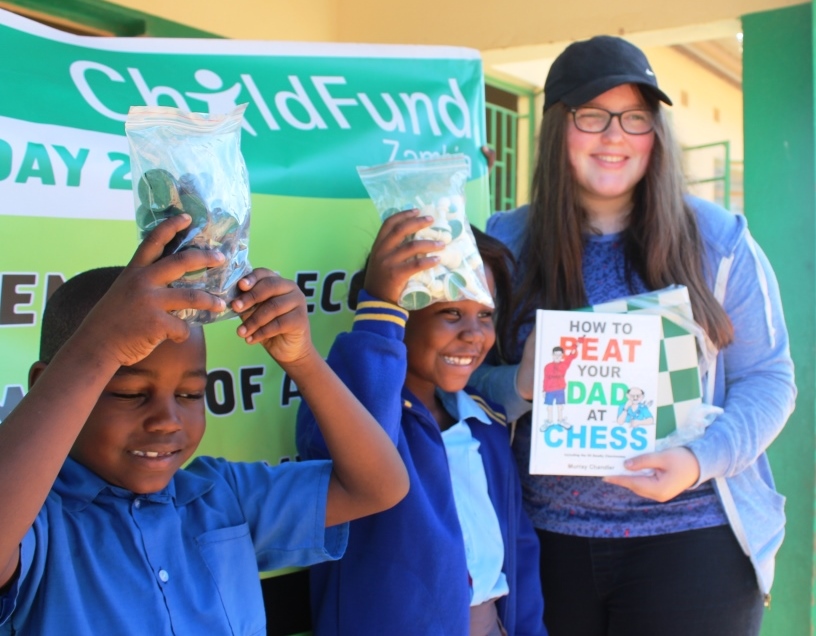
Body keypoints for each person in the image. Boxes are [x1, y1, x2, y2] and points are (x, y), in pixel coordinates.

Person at [470, 35, 796, 636]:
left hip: (694, 546)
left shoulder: (719, 240)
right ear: (557, 127)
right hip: (544, 546)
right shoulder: (506, 242)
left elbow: (769, 379)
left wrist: (697, 461)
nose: (614, 136)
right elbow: (463, 382)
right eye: (592, 115)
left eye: (635, 117)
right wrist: (520, 382)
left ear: (655, 132)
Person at [0, 214, 409, 635]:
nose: (166, 421)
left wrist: (302, 360)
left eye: (190, 395)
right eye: (130, 394)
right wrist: (97, 350)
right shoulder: (37, 524)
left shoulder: (220, 498)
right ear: (44, 383)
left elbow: (380, 486)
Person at [296, 210, 546, 636]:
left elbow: (518, 552)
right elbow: (355, 447)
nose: (474, 334)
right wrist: (380, 308)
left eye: (485, 314)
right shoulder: (349, 411)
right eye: (450, 312)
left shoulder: (484, 423)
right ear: (399, 313)